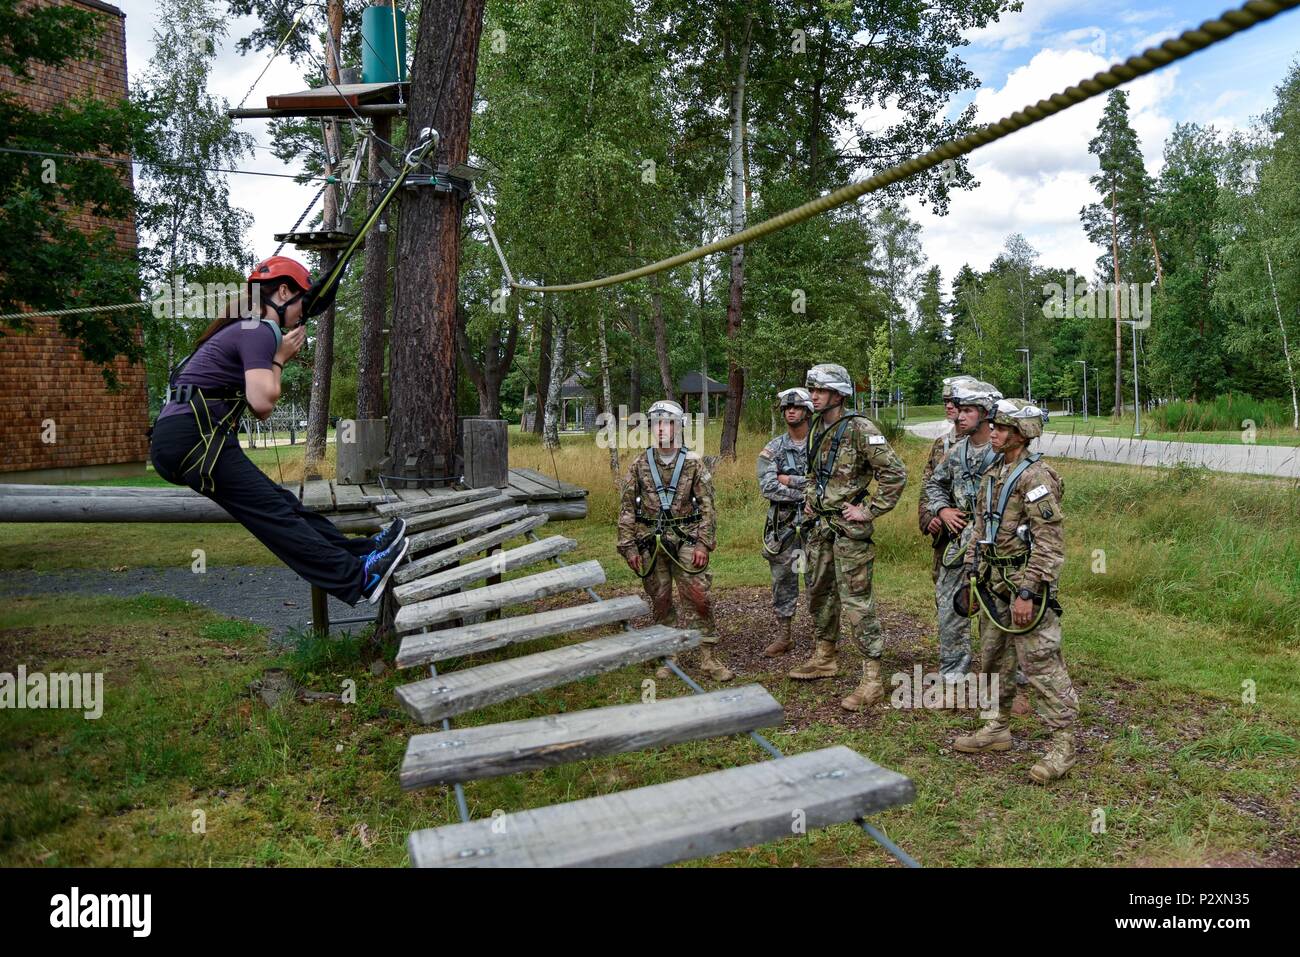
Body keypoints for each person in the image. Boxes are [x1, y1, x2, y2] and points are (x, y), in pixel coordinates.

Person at [149, 256, 409, 606]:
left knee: (281, 505)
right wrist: (280, 358)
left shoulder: (244, 326)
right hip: (195, 438)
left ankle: (363, 553)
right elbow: (262, 402)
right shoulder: (260, 329)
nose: (302, 313)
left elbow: (255, 404)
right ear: (283, 292)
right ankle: (358, 576)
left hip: (190, 436)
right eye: (301, 301)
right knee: (274, 516)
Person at [953, 398, 1079, 783]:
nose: (993, 432)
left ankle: (1064, 746)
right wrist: (971, 576)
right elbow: (980, 529)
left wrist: (1029, 594)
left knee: (1040, 663)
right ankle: (996, 727)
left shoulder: (1036, 478)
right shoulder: (993, 472)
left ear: (1022, 434)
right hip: (992, 585)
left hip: (1025, 588)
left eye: (1003, 428)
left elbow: (1050, 545)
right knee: (992, 659)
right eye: (993, 426)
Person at [789, 364, 907, 712]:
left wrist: (869, 510)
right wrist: (811, 501)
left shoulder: (861, 429)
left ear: (839, 394)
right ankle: (826, 655)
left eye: (821, 391)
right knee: (818, 592)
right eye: (811, 389)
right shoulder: (816, 429)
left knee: (857, 602)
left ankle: (872, 678)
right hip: (819, 530)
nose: (813, 396)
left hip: (849, 533)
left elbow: (895, 473)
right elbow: (812, 473)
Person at [616, 400, 733, 682]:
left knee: (698, 596)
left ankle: (708, 656)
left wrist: (703, 544)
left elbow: (708, 507)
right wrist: (629, 547)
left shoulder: (693, 463)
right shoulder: (639, 464)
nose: (661, 429)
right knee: (661, 599)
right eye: (656, 424)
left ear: (678, 427)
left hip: (686, 539)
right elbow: (627, 508)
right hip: (650, 541)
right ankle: (669, 656)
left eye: (668, 423)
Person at [922, 379, 1001, 682]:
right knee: (950, 606)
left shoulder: (1001, 452)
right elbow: (934, 483)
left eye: (968, 410)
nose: (959, 416)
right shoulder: (957, 452)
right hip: (958, 543)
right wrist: (942, 509)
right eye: (960, 410)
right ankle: (953, 672)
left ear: (985, 413)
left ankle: (1004, 678)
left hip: (995, 543)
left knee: (996, 609)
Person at [757, 387, 814, 657]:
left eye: (797, 407)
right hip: (783, 529)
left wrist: (788, 479)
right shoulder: (774, 448)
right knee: (783, 581)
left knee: (819, 582)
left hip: (817, 527)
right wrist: (806, 490)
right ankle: (784, 636)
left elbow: (832, 484)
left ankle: (824, 640)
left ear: (808, 411)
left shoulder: (822, 443)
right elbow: (767, 486)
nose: (791, 411)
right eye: (786, 408)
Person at [919, 375, 977, 583]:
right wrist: (930, 516)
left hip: (976, 532)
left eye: (956, 402)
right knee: (945, 593)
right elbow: (928, 483)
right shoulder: (942, 444)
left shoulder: (987, 443)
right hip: (946, 533)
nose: (950, 407)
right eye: (946, 402)